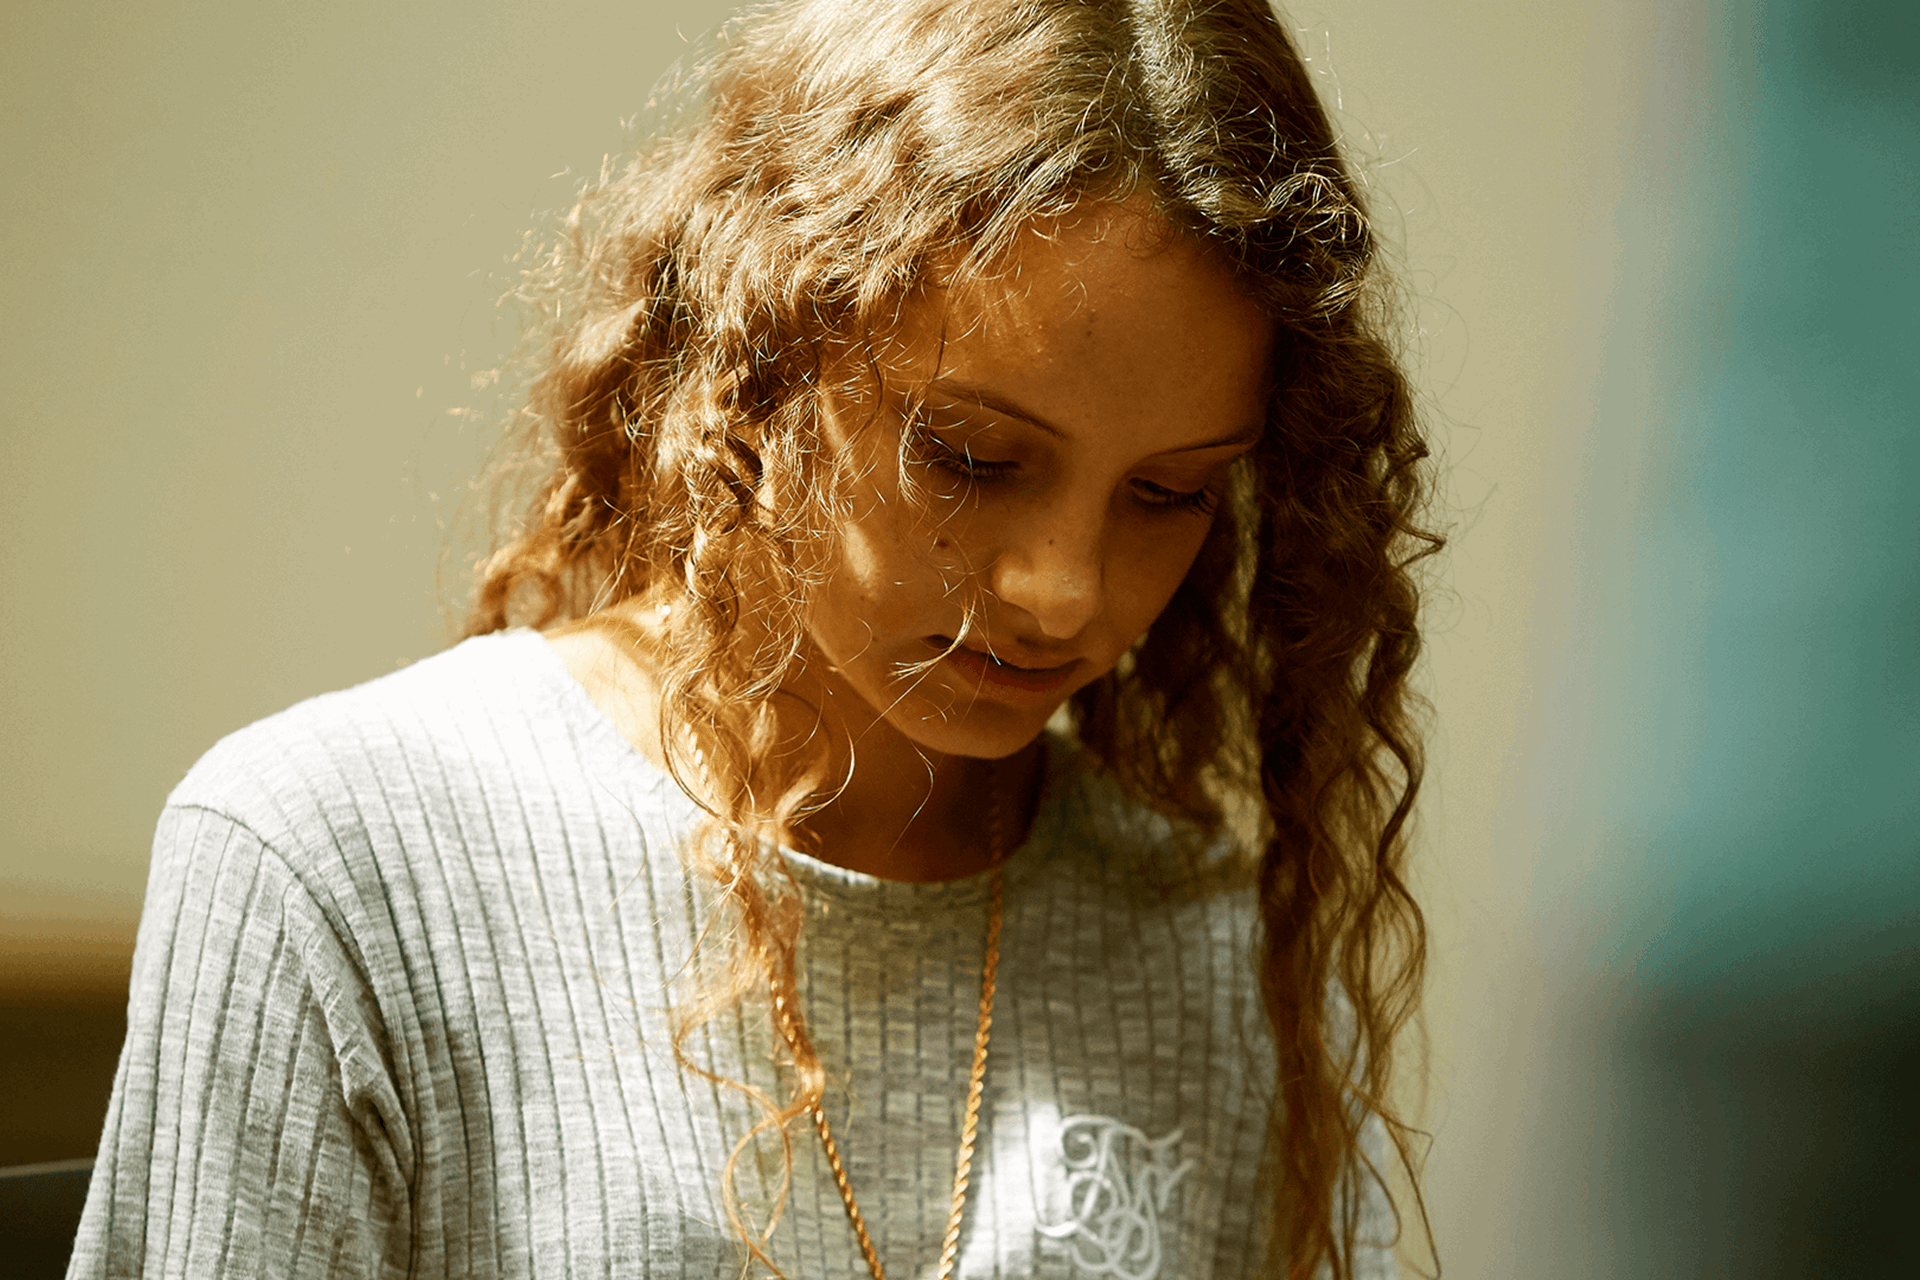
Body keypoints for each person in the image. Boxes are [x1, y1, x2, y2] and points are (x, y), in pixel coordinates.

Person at [68, 0, 1442, 1276]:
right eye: (968, 458)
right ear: (769, 356)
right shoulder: (332, 859)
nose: (1064, 590)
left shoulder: (1209, 954)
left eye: (1168, 493)